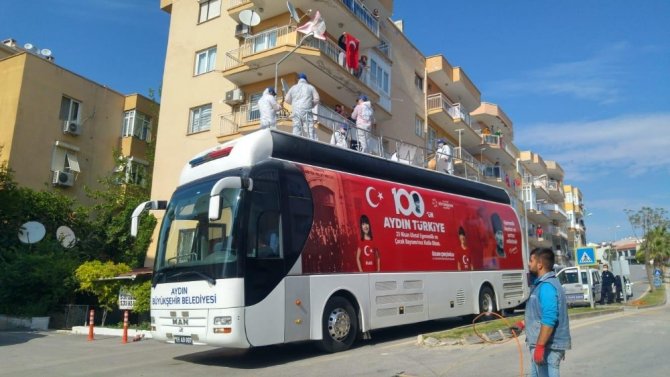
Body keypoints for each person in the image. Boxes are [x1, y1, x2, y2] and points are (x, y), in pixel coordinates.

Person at [513, 248, 571, 377]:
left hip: (547, 347)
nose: (529, 264)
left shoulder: (547, 286)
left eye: (531, 260)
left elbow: (549, 319)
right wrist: (523, 324)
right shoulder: (541, 285)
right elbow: (539, 314)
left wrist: (540, 347)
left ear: (540, 264)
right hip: (543, 345)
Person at [284, 73, 320, 140]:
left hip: (296, 111)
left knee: (296, 128)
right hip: (307, 111)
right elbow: (317, 99)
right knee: (309, 129)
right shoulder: (310, 87)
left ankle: (295, 141)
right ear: (306, 80)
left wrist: (294, 104)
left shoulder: (293, 88)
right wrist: (310, 104)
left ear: (298, 79)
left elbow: (286, 99)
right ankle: (312, 142)